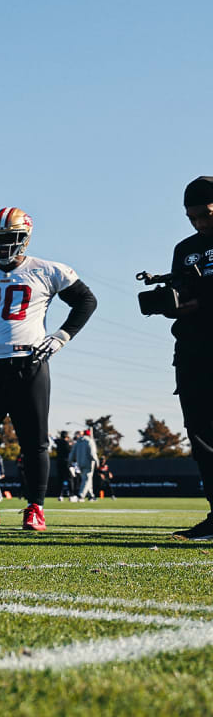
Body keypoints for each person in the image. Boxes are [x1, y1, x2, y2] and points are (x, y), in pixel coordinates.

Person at [0, 208, 96, 531]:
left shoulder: (46, 270)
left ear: (24, 238)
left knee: (34, 441)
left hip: (29, 364)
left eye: (8, 238)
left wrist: (61, 336)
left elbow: (86, 301)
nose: (1, 245)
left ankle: (35, 508)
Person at [169, 177, 213, 539]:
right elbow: (181, 293)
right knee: (200, 436)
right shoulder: (186, 248)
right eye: (192, 218)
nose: (200, 224)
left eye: (206, 215)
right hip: (193, 350)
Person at [72, 428, 98, 501]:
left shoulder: (78, 441)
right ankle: (81, 495)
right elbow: (93, 454)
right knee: (87, 479)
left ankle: (91, 495)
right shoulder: (89, 441)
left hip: (80, 463)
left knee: (87, 479)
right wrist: (96, 461)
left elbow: (72, 452)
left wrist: (69, 461)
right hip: (88, 464)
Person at [53, 431, 75, 501]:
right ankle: (71, 495)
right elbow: (71, 451)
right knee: (70, 479)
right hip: (67, 463)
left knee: (60, 479)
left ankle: (60, 495)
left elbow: (55, 440)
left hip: (59, 463)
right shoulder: (67, 443)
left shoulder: (58, 442)